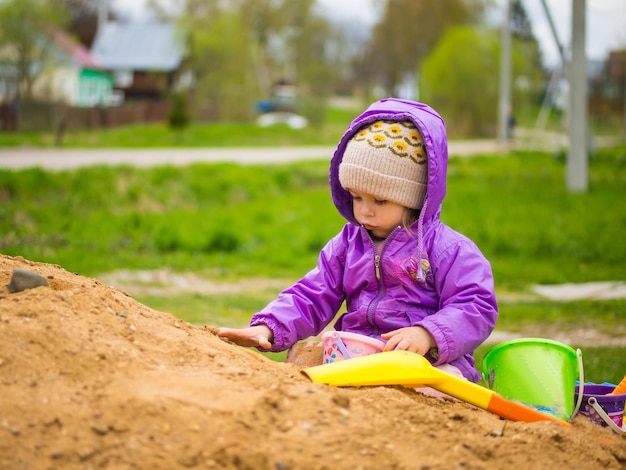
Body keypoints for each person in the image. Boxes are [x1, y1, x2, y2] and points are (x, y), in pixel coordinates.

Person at [218, 98, 498, 383]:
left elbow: (476, 305)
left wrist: (429, 334)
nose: (365, 210)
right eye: (356, 197)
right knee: (301, 360)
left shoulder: (448, 249)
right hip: (358, 352)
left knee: (440, 384)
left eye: (380, 200)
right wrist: (268, 327)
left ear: (415, 198)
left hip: (426, 361)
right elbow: (312, 294)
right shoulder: (349, 243)